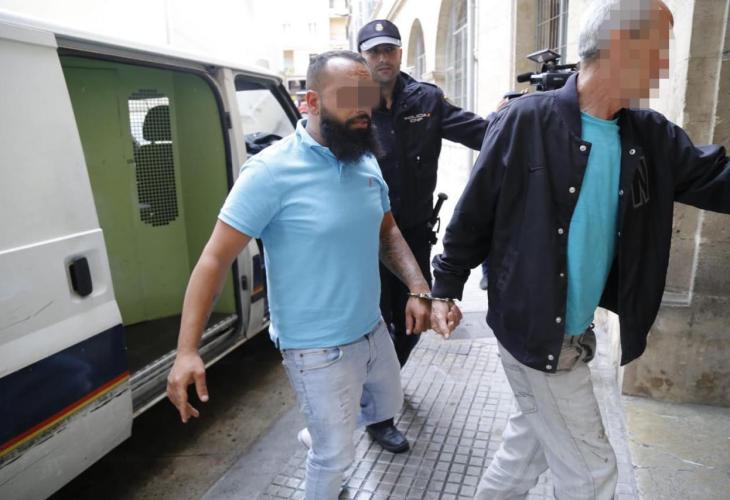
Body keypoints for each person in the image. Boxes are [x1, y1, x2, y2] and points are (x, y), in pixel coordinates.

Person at [430, 1, 730, 498]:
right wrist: (444, 287)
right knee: (592, 474)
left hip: (571, 328)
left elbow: (717, 178)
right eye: (659, 49)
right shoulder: (526, 120)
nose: (664, 64)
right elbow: (475, 212)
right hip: (535, 331)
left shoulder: (650, 136)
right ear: (622, 46)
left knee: (525, 452)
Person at [166, 50, 461, 500]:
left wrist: (419, 287)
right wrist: (187, 350)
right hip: (316, 348)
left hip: (372, 329)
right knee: (334, 458)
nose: (364, 108)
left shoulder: (364, 159)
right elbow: (213, 260)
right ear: (312, 102)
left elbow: (387, 232)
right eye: (350, 97)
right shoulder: (269, 172)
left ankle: (322, 431)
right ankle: (327, 443)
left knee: (387, 404)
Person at [357, 18, 490, 453]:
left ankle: (384, 385)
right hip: (365, 237)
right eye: (374, 51)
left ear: (399, 54)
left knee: (414, 323)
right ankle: (379, 414)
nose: (382, 58)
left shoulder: (426, 100)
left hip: (412, 234)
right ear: (362, 57)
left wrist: (524, 122)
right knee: (375, 324)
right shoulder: (349, 101)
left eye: (389, 49)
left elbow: (480, 131)